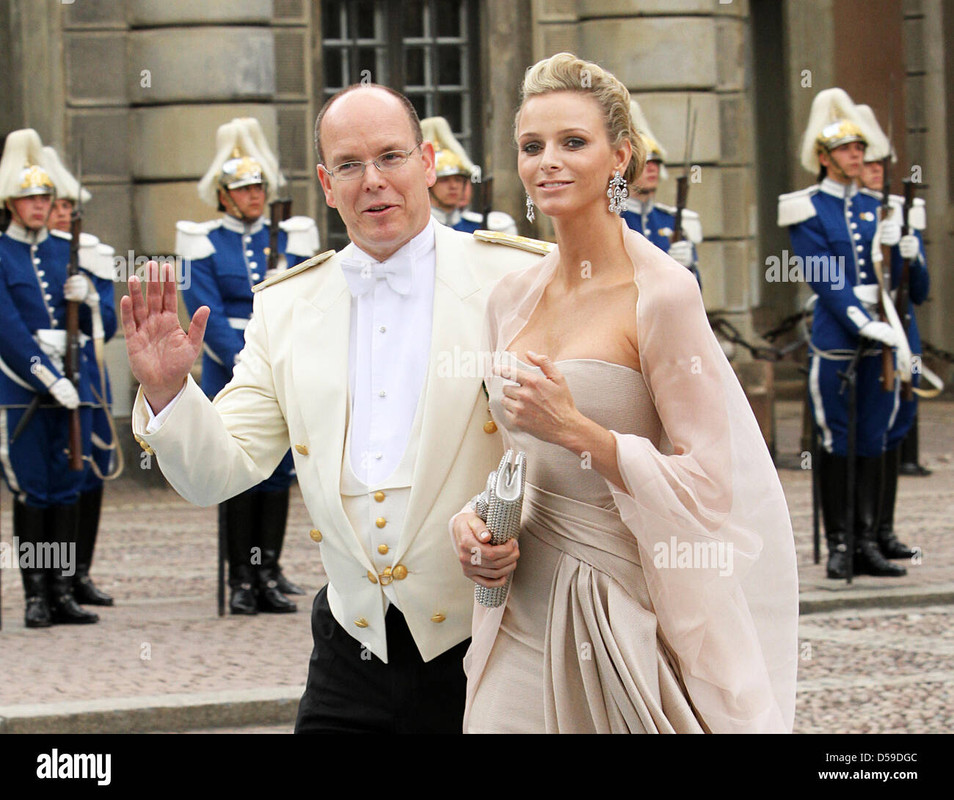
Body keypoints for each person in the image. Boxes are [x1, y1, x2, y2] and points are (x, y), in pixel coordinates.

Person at [121, 85, 540, 732]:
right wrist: (169, 393)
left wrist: (508, 526)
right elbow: (219, 471)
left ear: (428, 162)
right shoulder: (286, 306)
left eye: (391, 157)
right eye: (349, 164)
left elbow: (563, 456)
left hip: (487, 638)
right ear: (326, 183)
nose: (372, 180)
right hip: (352, 645)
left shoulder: (514, 281)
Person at [451, 52, 798, 733]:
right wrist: (474, 521)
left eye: (572, 142)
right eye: (532, 146)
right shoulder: (507, 297)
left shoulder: (664, 295)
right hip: (516, 609)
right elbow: (517, 457)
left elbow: (709, 488)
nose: (548, 162)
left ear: (620, 157)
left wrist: (579, 430)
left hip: (613, 613)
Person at [177, 117, 319, 615]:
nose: (254, 196)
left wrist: (290, 281)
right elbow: (206, 312)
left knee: (278, 473)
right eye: (243, 189)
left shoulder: (290, 239)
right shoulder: (203, 242)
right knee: (236, 471)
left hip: (284, 366)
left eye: (258, 187)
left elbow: (310, 304)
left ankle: (267, 572)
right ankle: (240, 575)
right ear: (223, 196)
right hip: (233, 369)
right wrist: (252, 361)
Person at [778, 88, 912, 579]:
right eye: (846, 150)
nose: (857, 156)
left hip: (883, 338)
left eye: (860, 148)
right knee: (837, 440)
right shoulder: (806, 208)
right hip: (838, 337)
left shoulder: (877, 207)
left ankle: (865, 541)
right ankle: (838, 542)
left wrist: (902, 250)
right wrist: (861, 321)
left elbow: (894, 279)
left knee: (873, 438)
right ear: (824, 158)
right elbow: (824, 275)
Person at [0, 129, 111, 627]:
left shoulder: (69, 250)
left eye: (45, 198)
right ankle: (36, 595)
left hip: (75, 385)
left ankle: (63, 590)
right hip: (24, 390)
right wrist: (47, 378)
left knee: (68, 487)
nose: (40, 206)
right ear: (11, 202)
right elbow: (8, 331)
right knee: (34, 491)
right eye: (30, 198)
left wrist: (89, 301)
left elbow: (103, 325)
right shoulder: (2, 253)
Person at [43, 144, 121, 607]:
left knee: (90, 474)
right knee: (55, 478)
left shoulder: (90, 254)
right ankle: (50, 582)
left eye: (68, 205)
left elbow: (108, 322)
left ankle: (78, 573)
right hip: (45, 378)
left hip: (89, 376)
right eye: (56, 204)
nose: (62, 212)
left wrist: (91, 298)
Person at [855, 104, 930, 561]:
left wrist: (913, 255)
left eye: (881, 164)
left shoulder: (902, 212)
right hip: (874, 333)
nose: (876, 172)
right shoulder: (852, 214)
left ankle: (884, 529)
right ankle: (863, 533)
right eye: (868, 164)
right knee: (871, 429)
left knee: (899, 425)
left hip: (905, 333)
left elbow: (920, 291)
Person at [621, 99, 702, 286]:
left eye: (656, 163)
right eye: (645, 164)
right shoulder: (613, 219)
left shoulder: (671, 220)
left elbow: (696, 291)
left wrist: (688, 269)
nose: (653, 169)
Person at [421, 116, 517, 235]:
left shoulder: (486, 227)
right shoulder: (418, 230)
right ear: (430, 184)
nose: (453, 186)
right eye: (444, 180)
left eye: (458, 180)